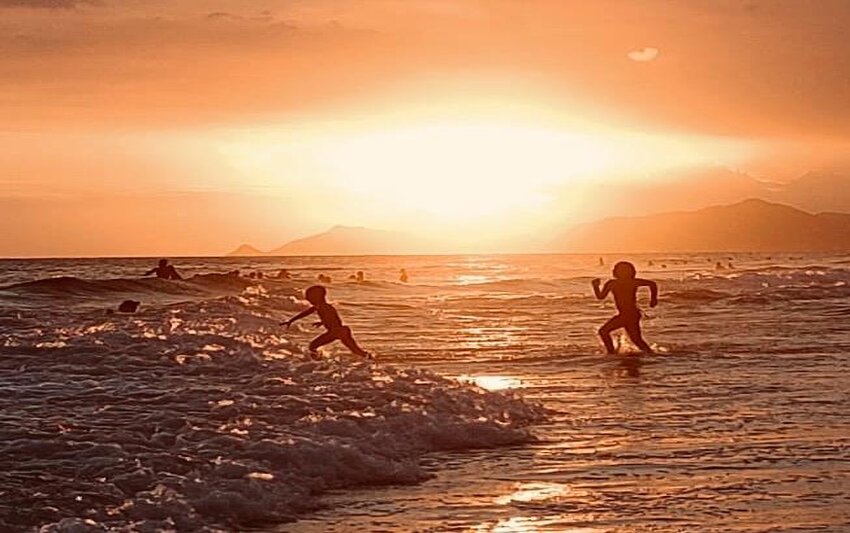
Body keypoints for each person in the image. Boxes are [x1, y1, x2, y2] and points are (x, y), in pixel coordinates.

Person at [281, 285, 371, 358]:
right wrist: (291, 321)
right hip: (338, 331)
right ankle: (317, 360)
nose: (308, 299)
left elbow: (335, 319)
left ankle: (317, 361)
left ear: (317, 297)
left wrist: (291, 321)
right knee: (313, 346)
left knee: (313, 346)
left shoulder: (325, 307)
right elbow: (307, 313)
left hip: (337, 331)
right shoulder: (321, 306)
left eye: (309, 297)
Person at [591, 261, 658, 355]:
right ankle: (650, 354)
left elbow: (652, 284)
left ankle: (611, 353)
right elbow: (601, 297)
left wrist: (653, 299)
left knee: (603, 331)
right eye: (620, 270)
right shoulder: (612, 283)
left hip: (632, 314)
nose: (623, 273)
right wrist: (595, 287)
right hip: (624, 314)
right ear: (615, 272)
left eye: (626, 271)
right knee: (636, 340)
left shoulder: (633, 282)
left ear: (631, 272)